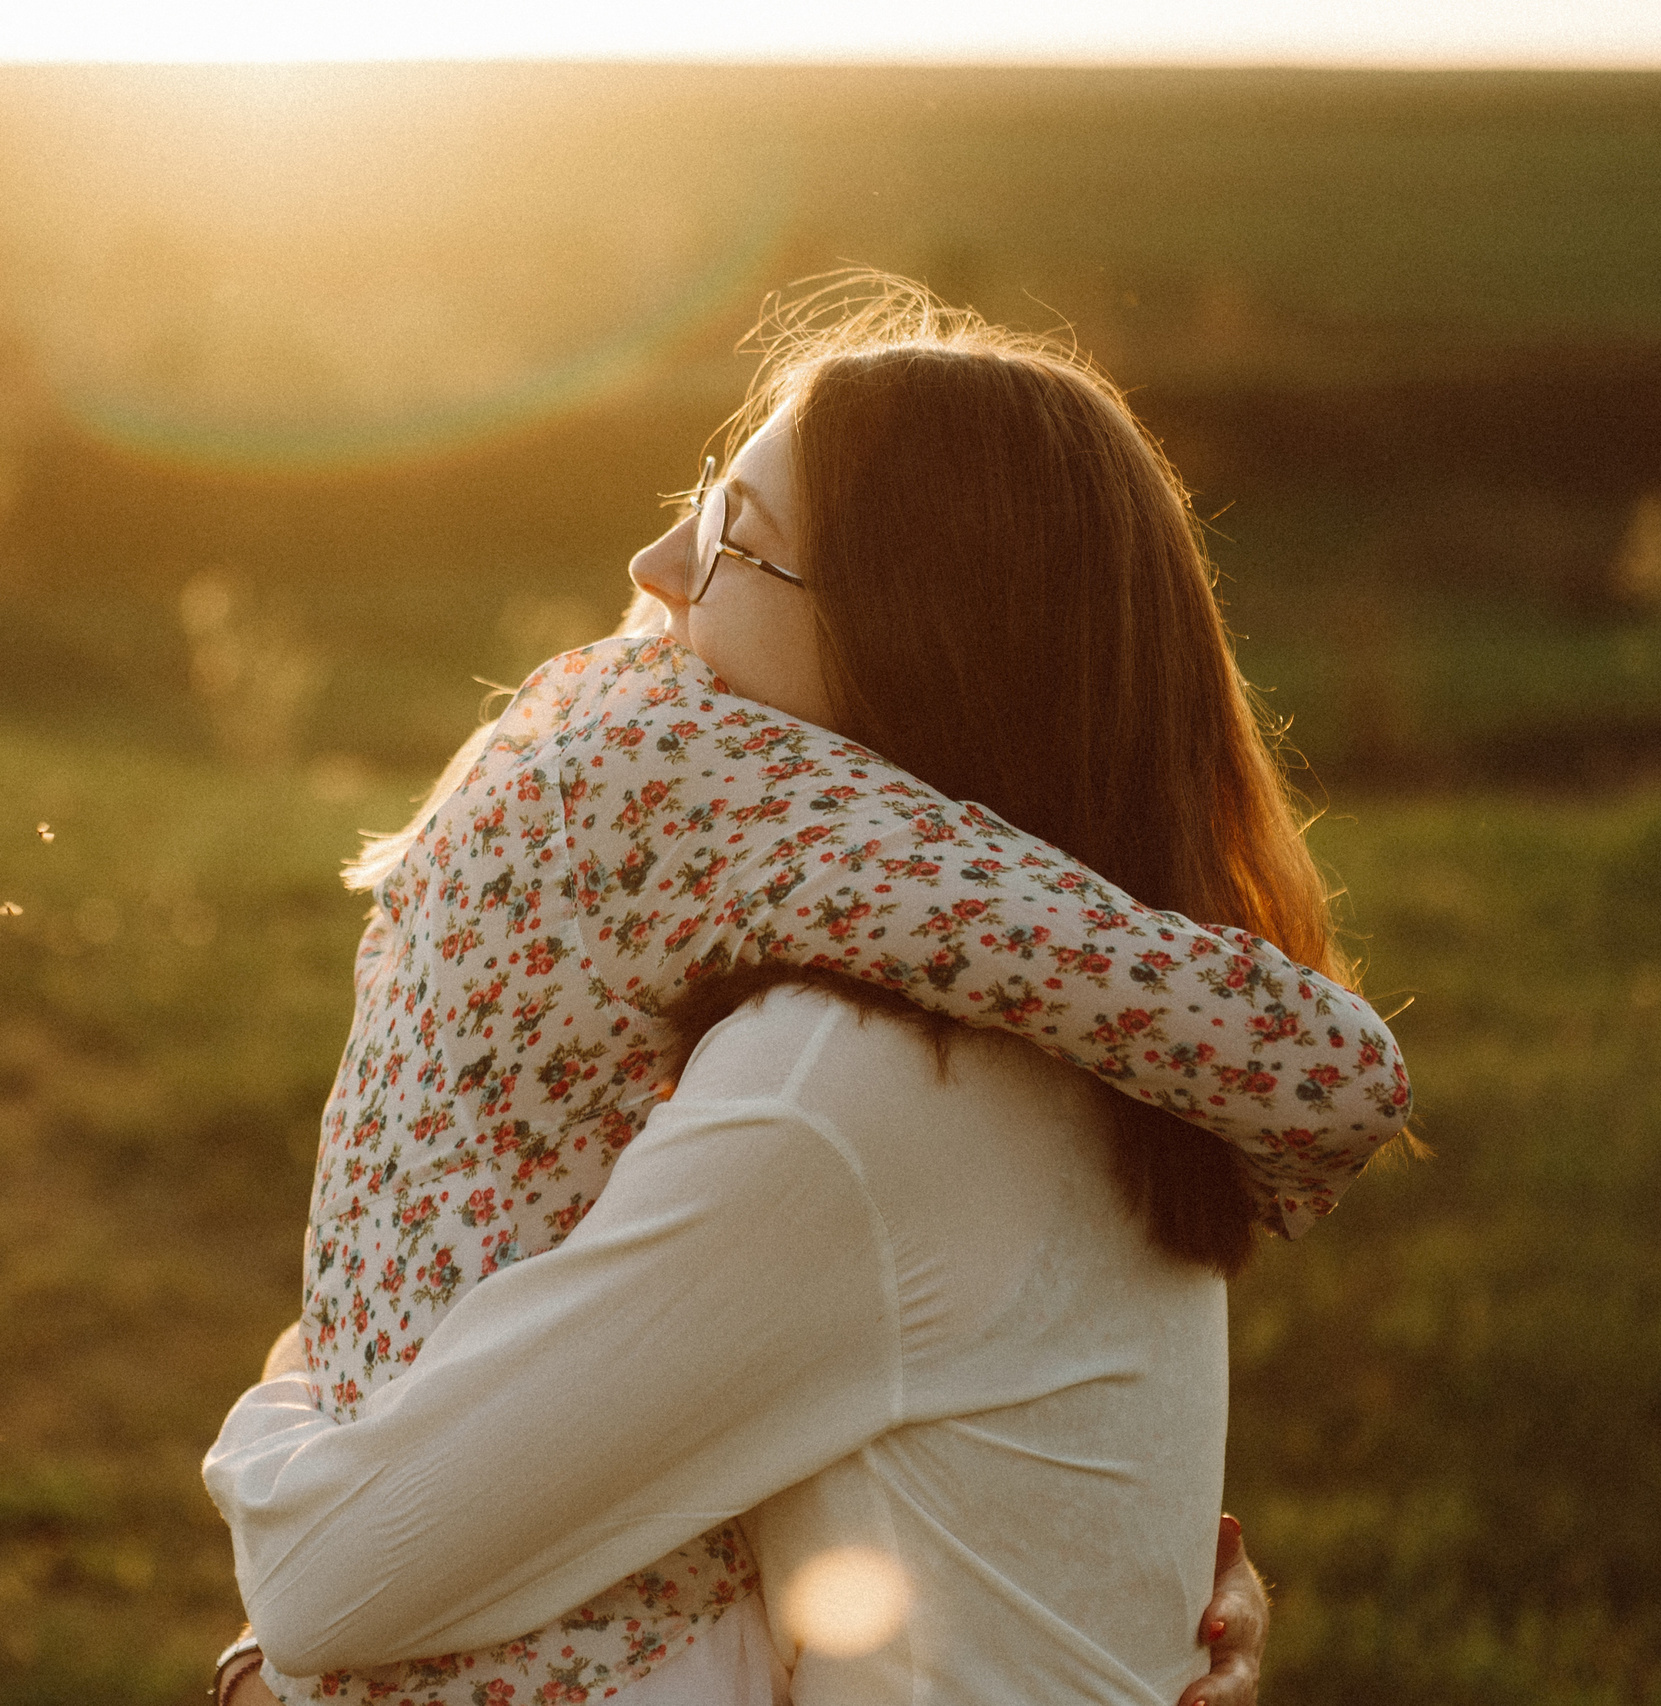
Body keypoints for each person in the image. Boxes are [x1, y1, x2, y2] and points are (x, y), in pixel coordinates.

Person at [205, 279, 1411, 1706]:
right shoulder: (1076, 1045)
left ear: (928, 645)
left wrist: (288, 1391)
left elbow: (330, 1578)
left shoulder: (861, 1090)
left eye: (738, 541)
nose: (656, 563)